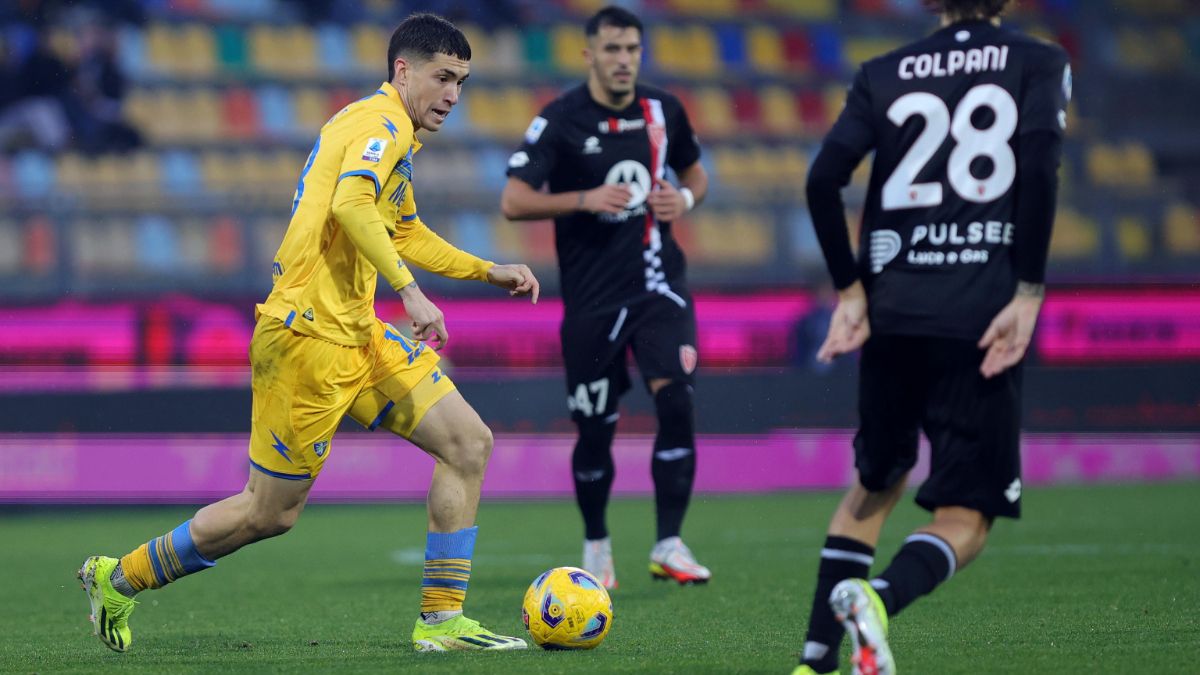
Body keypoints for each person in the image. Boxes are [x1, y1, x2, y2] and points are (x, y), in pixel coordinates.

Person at [78, 13, 540, 654]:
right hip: (305, 340)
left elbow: (400, 229)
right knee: (269, 513)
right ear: (403, 71)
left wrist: (487, 270)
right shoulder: (379, 125)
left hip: (357, 330)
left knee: (467, 443)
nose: (453, 96)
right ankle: (117, 577)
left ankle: (442, 623)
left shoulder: (389, 132)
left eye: (461, 82)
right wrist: (409, 291)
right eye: (443, 77)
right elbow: (351, 205)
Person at [794, 0, 1069, 672]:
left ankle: (813, 665)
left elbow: (823, 179)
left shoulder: (883, 71)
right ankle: (878, 599)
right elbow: (1035, 172)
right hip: (981, 317)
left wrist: (852, 291)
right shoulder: (1038, 61)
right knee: (966, 516)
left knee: (874, 485)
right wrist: (1029, 293)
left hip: (893, 311)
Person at [500, 6, 711, 589]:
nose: (623, 60)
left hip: (658, 286)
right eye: (613, 49)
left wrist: (686, 203)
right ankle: (597, 544)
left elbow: (697, 173)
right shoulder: (561, 120)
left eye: (632, 50)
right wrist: (583, 199)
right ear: (589, 54)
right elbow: (514, 200)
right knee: (597, 428)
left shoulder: (664, 110)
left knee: (677, 401)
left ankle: (669, 542)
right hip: (592, 303)